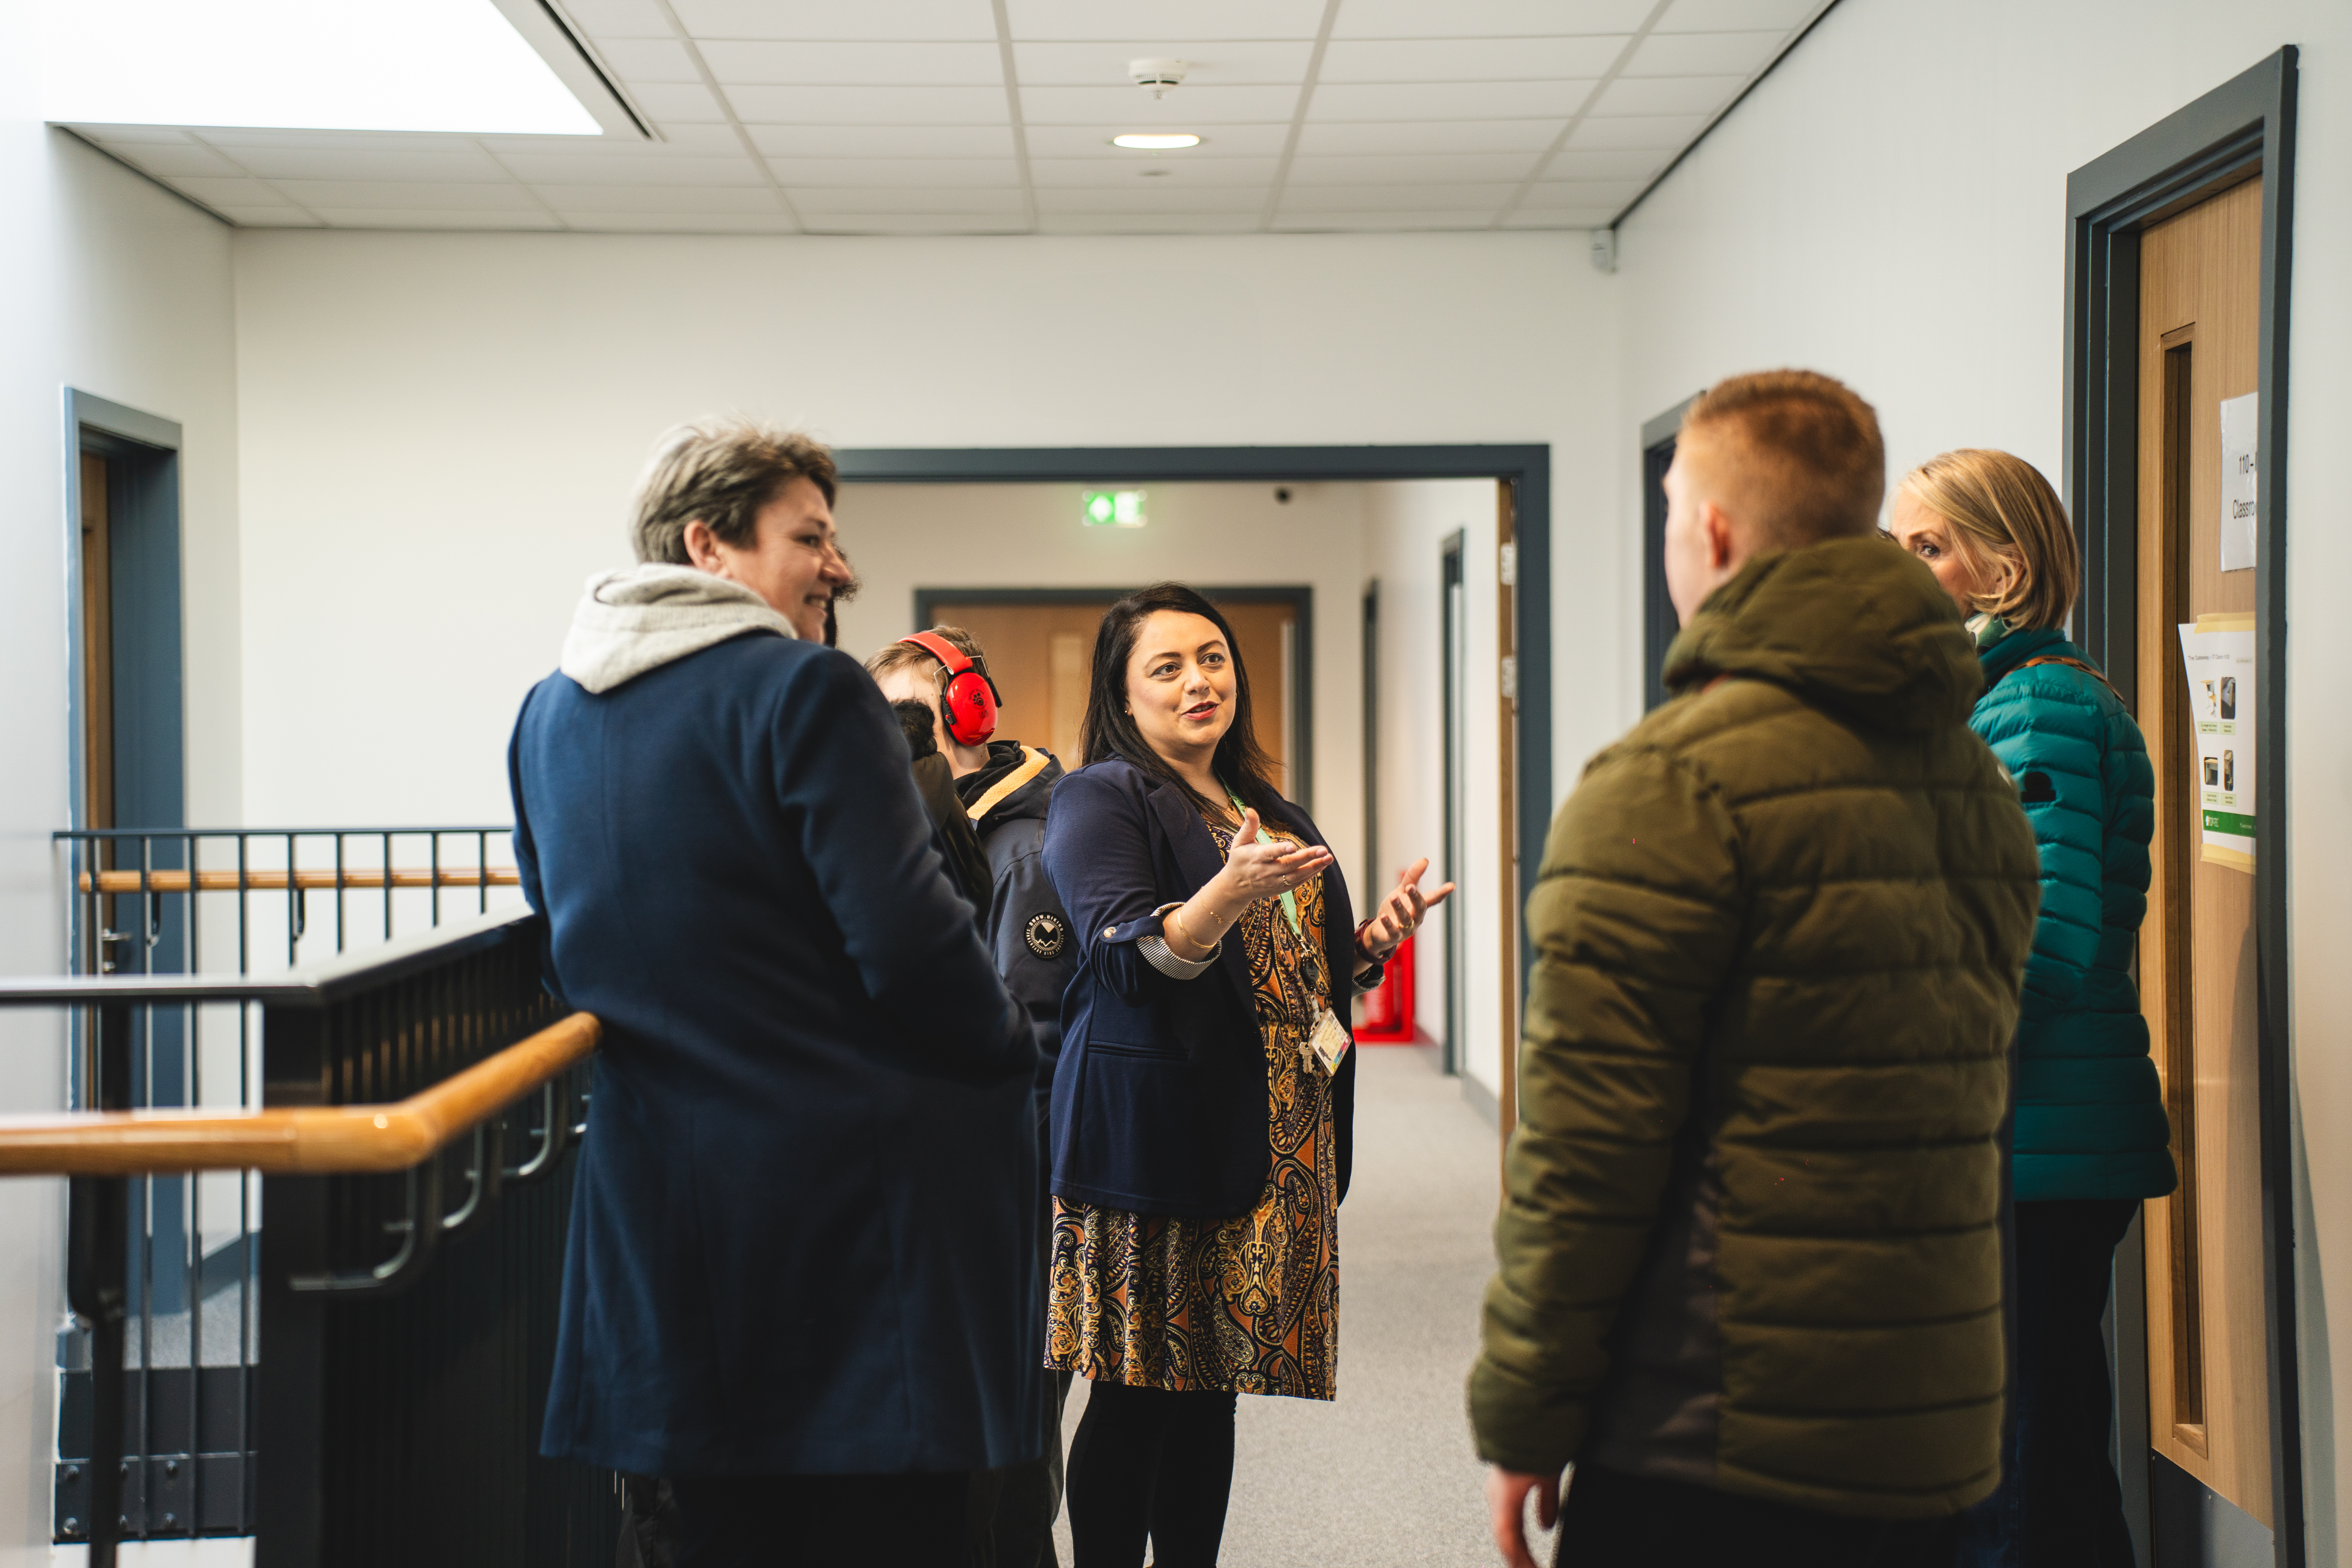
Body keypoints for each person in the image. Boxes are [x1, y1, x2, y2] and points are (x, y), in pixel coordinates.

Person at [1471, 370, 2043, 1568]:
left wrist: (1527, 1410)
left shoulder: (1671, 783)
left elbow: (1587, 1148)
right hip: (1927, 1420)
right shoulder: (1971, 781)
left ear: (1712, 531)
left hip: (1718, 1430)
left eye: (1675, 506)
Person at [508, 419, 1042, 1567]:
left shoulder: (546, 713)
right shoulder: (812, 695)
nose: (839, 568)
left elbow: (559, 953)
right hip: (850, 1244)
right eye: (812, 538)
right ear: (711, 543)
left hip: (656, 1216)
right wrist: (1011, 1048)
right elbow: (913, 950)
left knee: (690, 1531)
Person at [1041, 583, 1450, 1568]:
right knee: (1140, 1392)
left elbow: (1282, 968)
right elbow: (1126, 957)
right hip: (1156, 1137)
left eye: (1214, 657)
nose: (1199, 681)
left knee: (1212, 1386)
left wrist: (1367, 948)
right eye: (1168, 666)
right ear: (1124, 692)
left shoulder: (1263, 803)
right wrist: (1224, 889)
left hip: (1266, 1139)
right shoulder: (1100, 795)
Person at [1889, 448, 2172, 1566]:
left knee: (2004, 1472)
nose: (1902, 571)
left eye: (1928, 547)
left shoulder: (2039, 706)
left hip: (2033, 1147)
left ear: (2003, 568)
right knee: (2041, 1457)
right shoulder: (1993, 701)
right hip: (2027, 1140)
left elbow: (2035, 946)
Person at [869, 625, 1082, 1567]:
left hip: (1014, 1196)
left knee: (1007, 1454)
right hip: (950, 1192)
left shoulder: (1025, 843)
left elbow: (1020, 1040)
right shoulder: (916, 826)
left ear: (970, 711)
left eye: (913, 714)